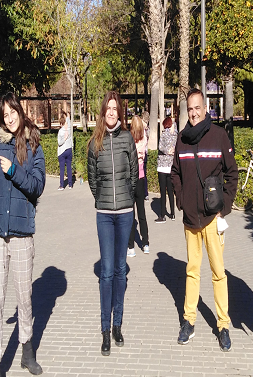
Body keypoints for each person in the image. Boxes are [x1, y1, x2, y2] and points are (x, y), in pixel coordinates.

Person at [0, 92, 46, 377]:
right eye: (4, 115)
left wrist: (14, 171)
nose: (9, 118)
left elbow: (37, 186)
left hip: (21, 235)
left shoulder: (34, 146)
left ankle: (26, 351)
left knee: (24, 298)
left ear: (20, 111)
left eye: (12, 112)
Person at [171, 88, 238, 351]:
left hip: (213, 219)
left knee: (218, 273)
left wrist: (225, 207)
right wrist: (181, 199)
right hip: (190, 220)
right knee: (192, 271)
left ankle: (223, 324)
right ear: (186, 110)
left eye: (198, 107)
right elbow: (175, 172)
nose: (194, 112)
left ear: (206, 107)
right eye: (190, 108)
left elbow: (232, 173)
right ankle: (189, 321)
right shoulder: (182, 139)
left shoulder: (219, 136)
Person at [87, 91, 138, 357]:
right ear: (102, 111)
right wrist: (103, 199)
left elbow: (133, 172)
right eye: (107, 108)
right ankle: (105, 330)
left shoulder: (127, 138)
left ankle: (118, 324)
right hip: (104, 214)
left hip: (126, 212)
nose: (111, 112)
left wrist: (127, 197)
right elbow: (92, 179)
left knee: (120, 270)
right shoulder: (94, 142)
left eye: (115, 108)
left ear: (120, 112)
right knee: (106, 272)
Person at [127, 115, 149, 257]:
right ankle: (145, 243)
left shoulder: (129, 140)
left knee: (130, 214)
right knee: (142, 213)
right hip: (141, 178)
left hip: (130, 179)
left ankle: (131, 247)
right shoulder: (144, 139)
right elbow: (145, 155)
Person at [155, 116, 177, 223]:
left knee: (163, 192)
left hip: (163, 166)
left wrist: (167, 151)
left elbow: (160, 147)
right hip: (171, 165)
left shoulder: (164, 134)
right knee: (171, 191)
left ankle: (163, 215)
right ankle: (172, 213)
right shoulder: (175, 134)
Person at [57, 112, 73, 190]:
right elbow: (68, 120)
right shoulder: (69, 128)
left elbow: (59, 143)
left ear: (61, 123)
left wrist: (64, 138)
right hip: (69, 149)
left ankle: (62, 185)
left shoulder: (60, 131)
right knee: (69, 168)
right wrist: (67, 115)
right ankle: (70, 185)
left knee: (62, 169)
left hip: (62, 151)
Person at [141, 111, 150, 200]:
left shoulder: (145, 129)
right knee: (142, 173)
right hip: (143, 152)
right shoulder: (144, 129)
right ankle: (144, 192)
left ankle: (144, 192)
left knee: (142, 173)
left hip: (143, 152)